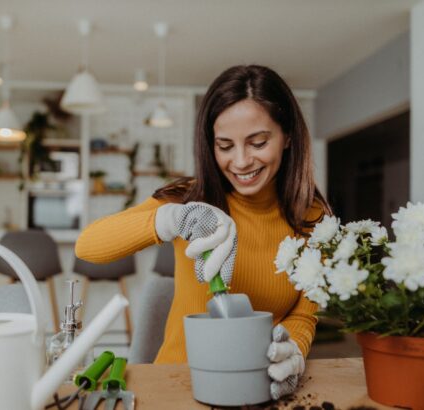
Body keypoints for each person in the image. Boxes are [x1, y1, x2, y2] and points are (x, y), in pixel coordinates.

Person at [75, 65, 330, 399]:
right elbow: (87, 246)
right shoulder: (189, 200)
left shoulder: (312, 217)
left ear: (287, 138)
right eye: (225, 146)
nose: (240, 161)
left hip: (258, 389)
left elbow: (303, 313)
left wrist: (292, 350)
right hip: (174, 386)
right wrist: (170, 220)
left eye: (257, 142)